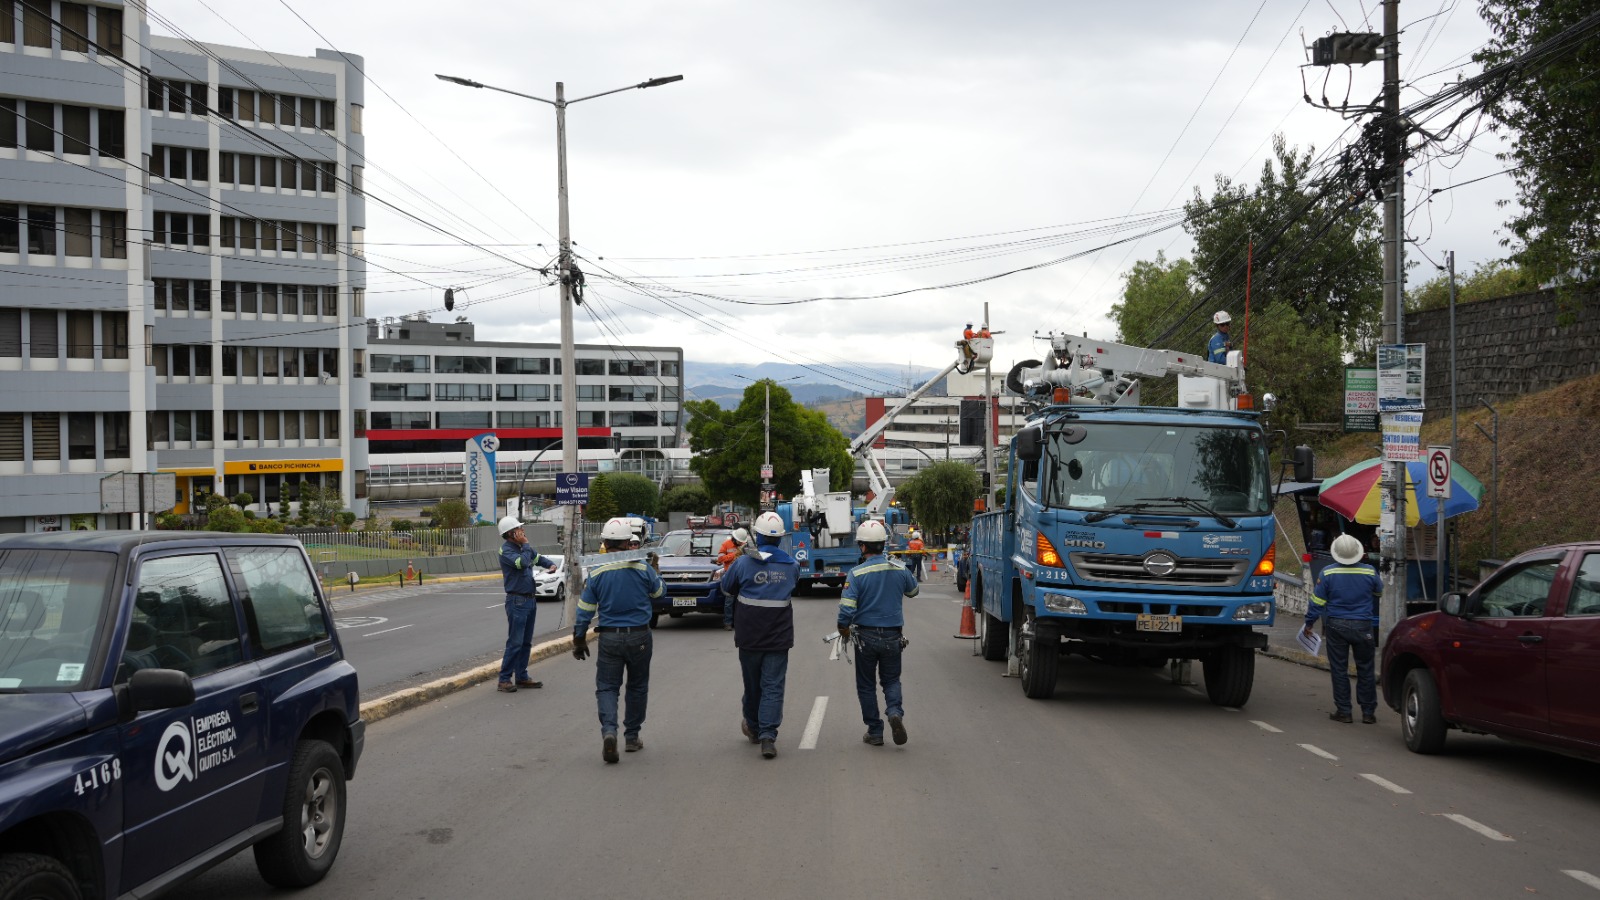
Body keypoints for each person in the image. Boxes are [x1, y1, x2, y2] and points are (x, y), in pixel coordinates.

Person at [572, 517, 666, 763]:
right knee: (637, 686)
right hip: (640, 635)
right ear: (628, 543)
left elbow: (584, 610)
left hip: (610, 638)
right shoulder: (642, 567)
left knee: (607, 687)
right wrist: (655, 570)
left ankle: (609, 732)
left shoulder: (597, 572)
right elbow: (659, 593)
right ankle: (632, 737)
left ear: (604, 542)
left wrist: (579, 638)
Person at [720, 511, 799, 760]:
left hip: (749, 636)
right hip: (778, 637)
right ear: (780, 538)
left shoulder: (744, 562)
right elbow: (791, 586)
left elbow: (726, 588)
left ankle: (754, 728)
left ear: (759, 535)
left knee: (753, 686)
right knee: (773, 686)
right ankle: (768, 736)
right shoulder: (791, 565)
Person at [838, 519, 920, 747]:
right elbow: (913, 591)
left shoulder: (856, 574)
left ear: (863, 546)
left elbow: (846, 608)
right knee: (891, 680)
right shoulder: (898, 568)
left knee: (866, 685)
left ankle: (875, 731)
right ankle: (894, 712)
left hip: (865, 637)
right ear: (883, 544)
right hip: (893, 636)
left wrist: (842, 627)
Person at [1302, 534, 1383, 724]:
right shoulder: (1370, 572)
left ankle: (1344, 711)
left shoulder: (1327, 573)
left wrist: (1309, 622)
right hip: (1363, 625)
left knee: (1339, 669)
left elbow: (1317, 602)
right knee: (1366, 668)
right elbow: (1379, 592)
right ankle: (1368, 713)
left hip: (1336, 625)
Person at [496, 515, 558, 693]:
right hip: (517, 600)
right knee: (515, 642)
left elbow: (538, 558)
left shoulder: (523, 548)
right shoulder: (506, 550)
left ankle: (522, 676)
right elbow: (523, 563)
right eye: (519, 529)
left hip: (530, 599)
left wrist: (550, 565)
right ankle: (504, 679)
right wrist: (526, 544)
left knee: (526, 642)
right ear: (511, 533)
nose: (523, 531)